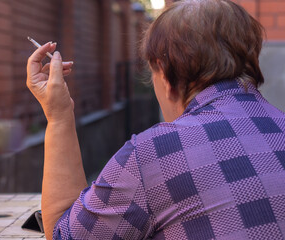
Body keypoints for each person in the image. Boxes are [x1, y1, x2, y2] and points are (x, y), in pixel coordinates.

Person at [26, 0, 285, 239]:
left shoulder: (153, 154)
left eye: (152, 72)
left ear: (165, 73)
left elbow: (65, 234)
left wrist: (58, 116)